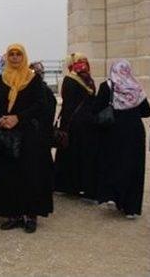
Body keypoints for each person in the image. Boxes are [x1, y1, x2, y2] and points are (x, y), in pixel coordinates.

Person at [0, 44, 53, 234]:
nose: (15, 58)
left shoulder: (33, 80)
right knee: (9, 174)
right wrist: (1, 118)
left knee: (30, 173)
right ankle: (13, 214)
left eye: (18, 54)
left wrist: (18, 118)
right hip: (6, 133)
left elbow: (41, 104)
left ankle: (30, 215)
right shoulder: (0, 80)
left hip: (28, 134)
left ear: (23, 57)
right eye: (12, 54)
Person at [94, 60, 150, 218]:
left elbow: (97, 108)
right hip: (135, 132)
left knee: (113, 164)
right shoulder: (135, 86)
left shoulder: (107, 86)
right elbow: (146, 112)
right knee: (134, 167)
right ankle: (131, 208)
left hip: (113, 132)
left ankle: (113, 196)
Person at [53, 54, 98, 200]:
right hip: (87, 123)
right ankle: (84, 186)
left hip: (71, 123)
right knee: (84, 155)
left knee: (69, 154)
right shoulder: (89, 80)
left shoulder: (69, 80)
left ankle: (67, 186)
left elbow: (68, 104)